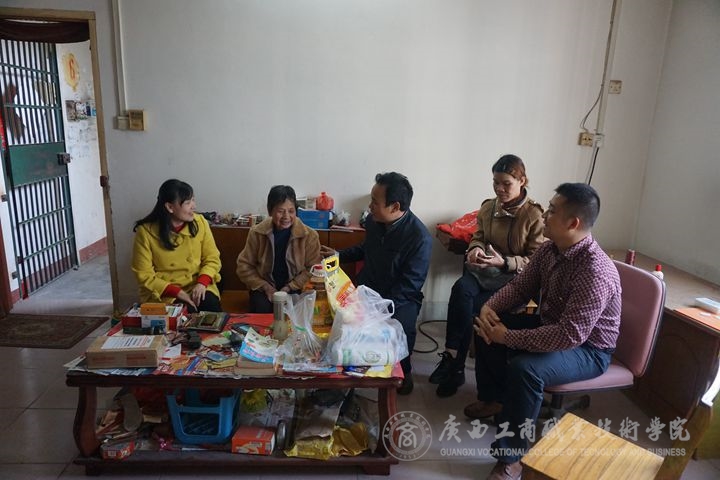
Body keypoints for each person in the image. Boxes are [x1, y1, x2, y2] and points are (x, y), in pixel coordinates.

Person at [471, 182, 621, 480]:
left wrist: (508, 337)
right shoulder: (550, 249)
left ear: (573, 223)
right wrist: (491, 306)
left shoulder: (595, 270)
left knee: (525, 370)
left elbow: (568, 336)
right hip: (553, 327)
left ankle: (512, 458)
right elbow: (521, 286)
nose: (544, 216)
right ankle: (496, 399)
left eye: (551, 211)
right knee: (484, 325)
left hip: (588, 350)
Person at [430, 154, 545, 397]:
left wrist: (505, 262)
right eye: (495, 183)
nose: (499, 189)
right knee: (461, 290)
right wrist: (475, 249)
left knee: (474, 307)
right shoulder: (488, 207)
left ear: (522, 181)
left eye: (506, 184)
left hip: (512, 281)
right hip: (482, 273)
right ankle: (452, 357)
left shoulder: (533, 215)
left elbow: (536, 260)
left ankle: (455, 368)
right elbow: (478, 237)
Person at [322, 172, 432, 395]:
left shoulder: (419, 238)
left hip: (399, 299)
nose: (370, 206)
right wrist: (338, 255)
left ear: (395, 206)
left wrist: (378, 309)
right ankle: (347, 374)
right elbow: (365, 249)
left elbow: (410, 285)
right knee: (342, 322)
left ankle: (403, 371)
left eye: (375, 201)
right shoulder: (373, 221)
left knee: (402, 326)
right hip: (367, 289)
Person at [132, 179, 222, 312]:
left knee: (210, 305)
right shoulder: (145, 232)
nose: (194, 206)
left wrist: (202, 283)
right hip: (164, 291)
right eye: (187, 203)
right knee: (184, 313)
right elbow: (144, 274)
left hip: (197, 284)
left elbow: (212, 258)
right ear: (170, 207)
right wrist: (177, 292)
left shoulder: (200, 223)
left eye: (193, 200)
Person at [236, 185, 322, 313]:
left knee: (297, 313)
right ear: (270, 211)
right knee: (262, 309)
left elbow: (313, 268)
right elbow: (244, 266)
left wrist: (290, 287)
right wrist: (265, 286)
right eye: (280, 211)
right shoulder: (257, 233)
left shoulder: (309, 235)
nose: (286, 216)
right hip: (264, 287)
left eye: (291, 211)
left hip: (297, 287)